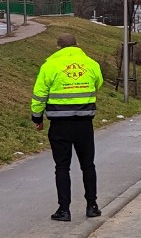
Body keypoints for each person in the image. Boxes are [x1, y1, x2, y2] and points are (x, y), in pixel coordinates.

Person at [31, 33, 104, 222]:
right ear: (77, 45)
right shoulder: (90, 63)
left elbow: (39, 94)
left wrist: (37, 118)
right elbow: (99, 83)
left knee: (62, 167)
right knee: (88, 165)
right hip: (84, 124)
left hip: (59, 125)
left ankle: (64, 210)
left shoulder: (50, 66)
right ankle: (92, 206)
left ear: (58, 48)